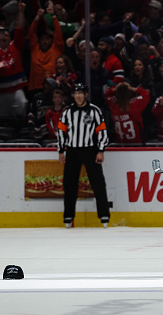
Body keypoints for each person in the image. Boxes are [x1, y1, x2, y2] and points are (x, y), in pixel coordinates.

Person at [57, 82, 111, 228]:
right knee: (69, 184)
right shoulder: (67, 112)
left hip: (90, 150)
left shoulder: (95, 111)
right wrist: (61, 150)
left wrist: (101, 150)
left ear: (86, 95)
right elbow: (61, 131)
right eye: (76, 93)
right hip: (72, 151)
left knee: (98, 183)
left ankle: (104, 216)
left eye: (81, 93)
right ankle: (68, 217)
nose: (78, 96)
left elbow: (103, 131)